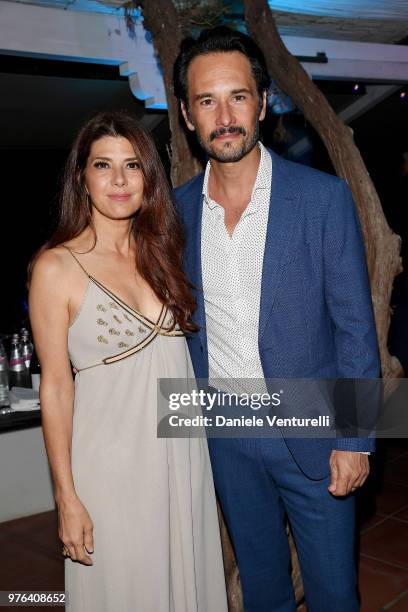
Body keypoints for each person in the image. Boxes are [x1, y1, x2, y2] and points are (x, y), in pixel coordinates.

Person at [173, 27, 380, 611]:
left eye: (238, 96)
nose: (225, 115)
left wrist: (356, 438)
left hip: (314, 433)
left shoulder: (323, 199)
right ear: (188, 116)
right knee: (263, 590)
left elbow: (355, 328)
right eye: (207, 101)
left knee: (334, 593)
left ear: (263, 102)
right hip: (227, 435)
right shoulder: (178, 211)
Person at [28, 111, 228, 612]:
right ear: (83, 178)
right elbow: (55, 386)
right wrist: (67, 498)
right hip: (112, 468)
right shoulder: (56, 267)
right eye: (103, 165)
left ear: (148, 178)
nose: (119, 180)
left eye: (133, 165)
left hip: (181, 457)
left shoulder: (162, 252)